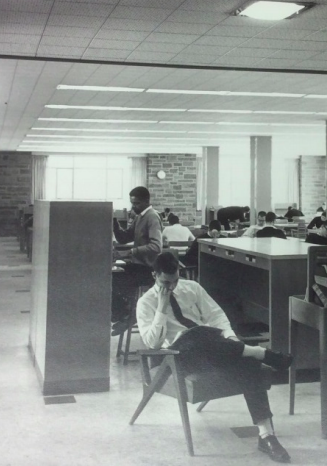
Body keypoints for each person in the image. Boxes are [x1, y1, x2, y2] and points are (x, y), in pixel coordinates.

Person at [136, 253, 292, 463]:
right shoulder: (146, 303)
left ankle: (266, 435)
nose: (171, 287)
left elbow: (216, 316)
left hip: (211, 347)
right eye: (166, 282)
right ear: (154, 275)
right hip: (175, 356)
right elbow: (152, 344)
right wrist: (162, 308)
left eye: (175, 281)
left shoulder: (192, 288)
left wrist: (231, 339)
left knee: (242, 360)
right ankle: (261, 352)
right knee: (193, 337)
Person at [113, 186, 163, 328]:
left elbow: (156, 246)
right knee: (112, 277)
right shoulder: (139, 216)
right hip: (138, 266)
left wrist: (131, 252)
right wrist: (115, 225)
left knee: (115, 280)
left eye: (136, 203)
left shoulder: (152, 216)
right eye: (132, 203)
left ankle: (129, 315)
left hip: (148, 269)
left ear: (147, 201)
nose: (133, 206)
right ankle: (126, 314)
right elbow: (124, 238)